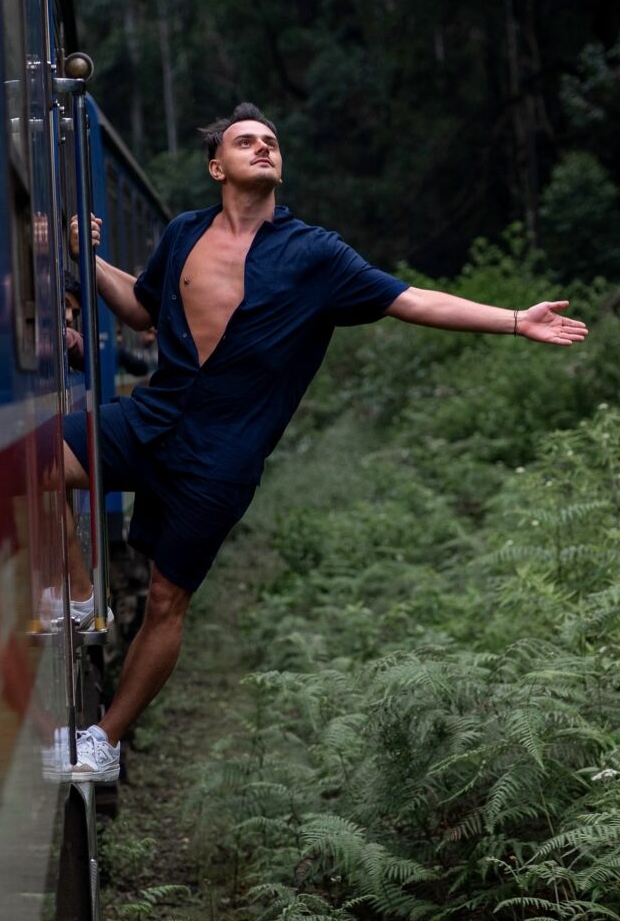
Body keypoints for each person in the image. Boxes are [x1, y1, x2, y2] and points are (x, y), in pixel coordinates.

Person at [61, 102, 588, 781]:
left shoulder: (317, 255)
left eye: (271, 141)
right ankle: (78, 597)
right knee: (31, 457)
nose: (262, 147)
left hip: (220, 458)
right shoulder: (184, 232)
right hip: (153, 417)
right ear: (217, 164)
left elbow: (413, 300)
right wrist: (89, 260)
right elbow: (140, 309)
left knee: (167, 598)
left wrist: (516, 319)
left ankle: (105, 741)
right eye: (245, 141)